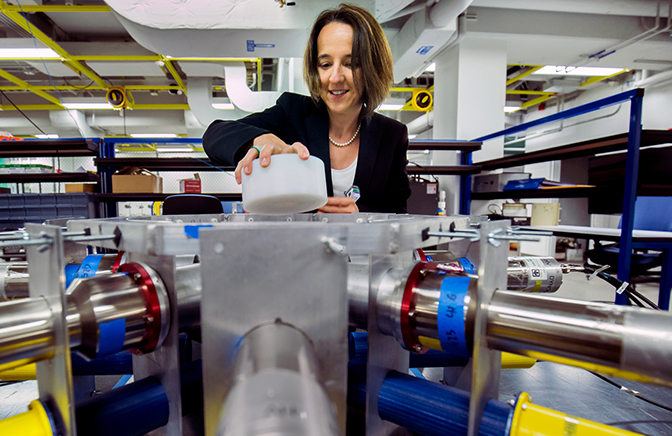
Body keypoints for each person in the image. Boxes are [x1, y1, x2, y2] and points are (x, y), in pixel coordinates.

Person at [203, 4, 411, 213]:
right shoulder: (292, 113)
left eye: (351, 63)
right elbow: (214, 135)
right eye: (325, 64)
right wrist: (260, 140)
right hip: (300, 245)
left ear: (373, 67)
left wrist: (359, 217)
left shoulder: (392, 135)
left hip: (364, 246)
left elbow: (398, 212)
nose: (335, 77)